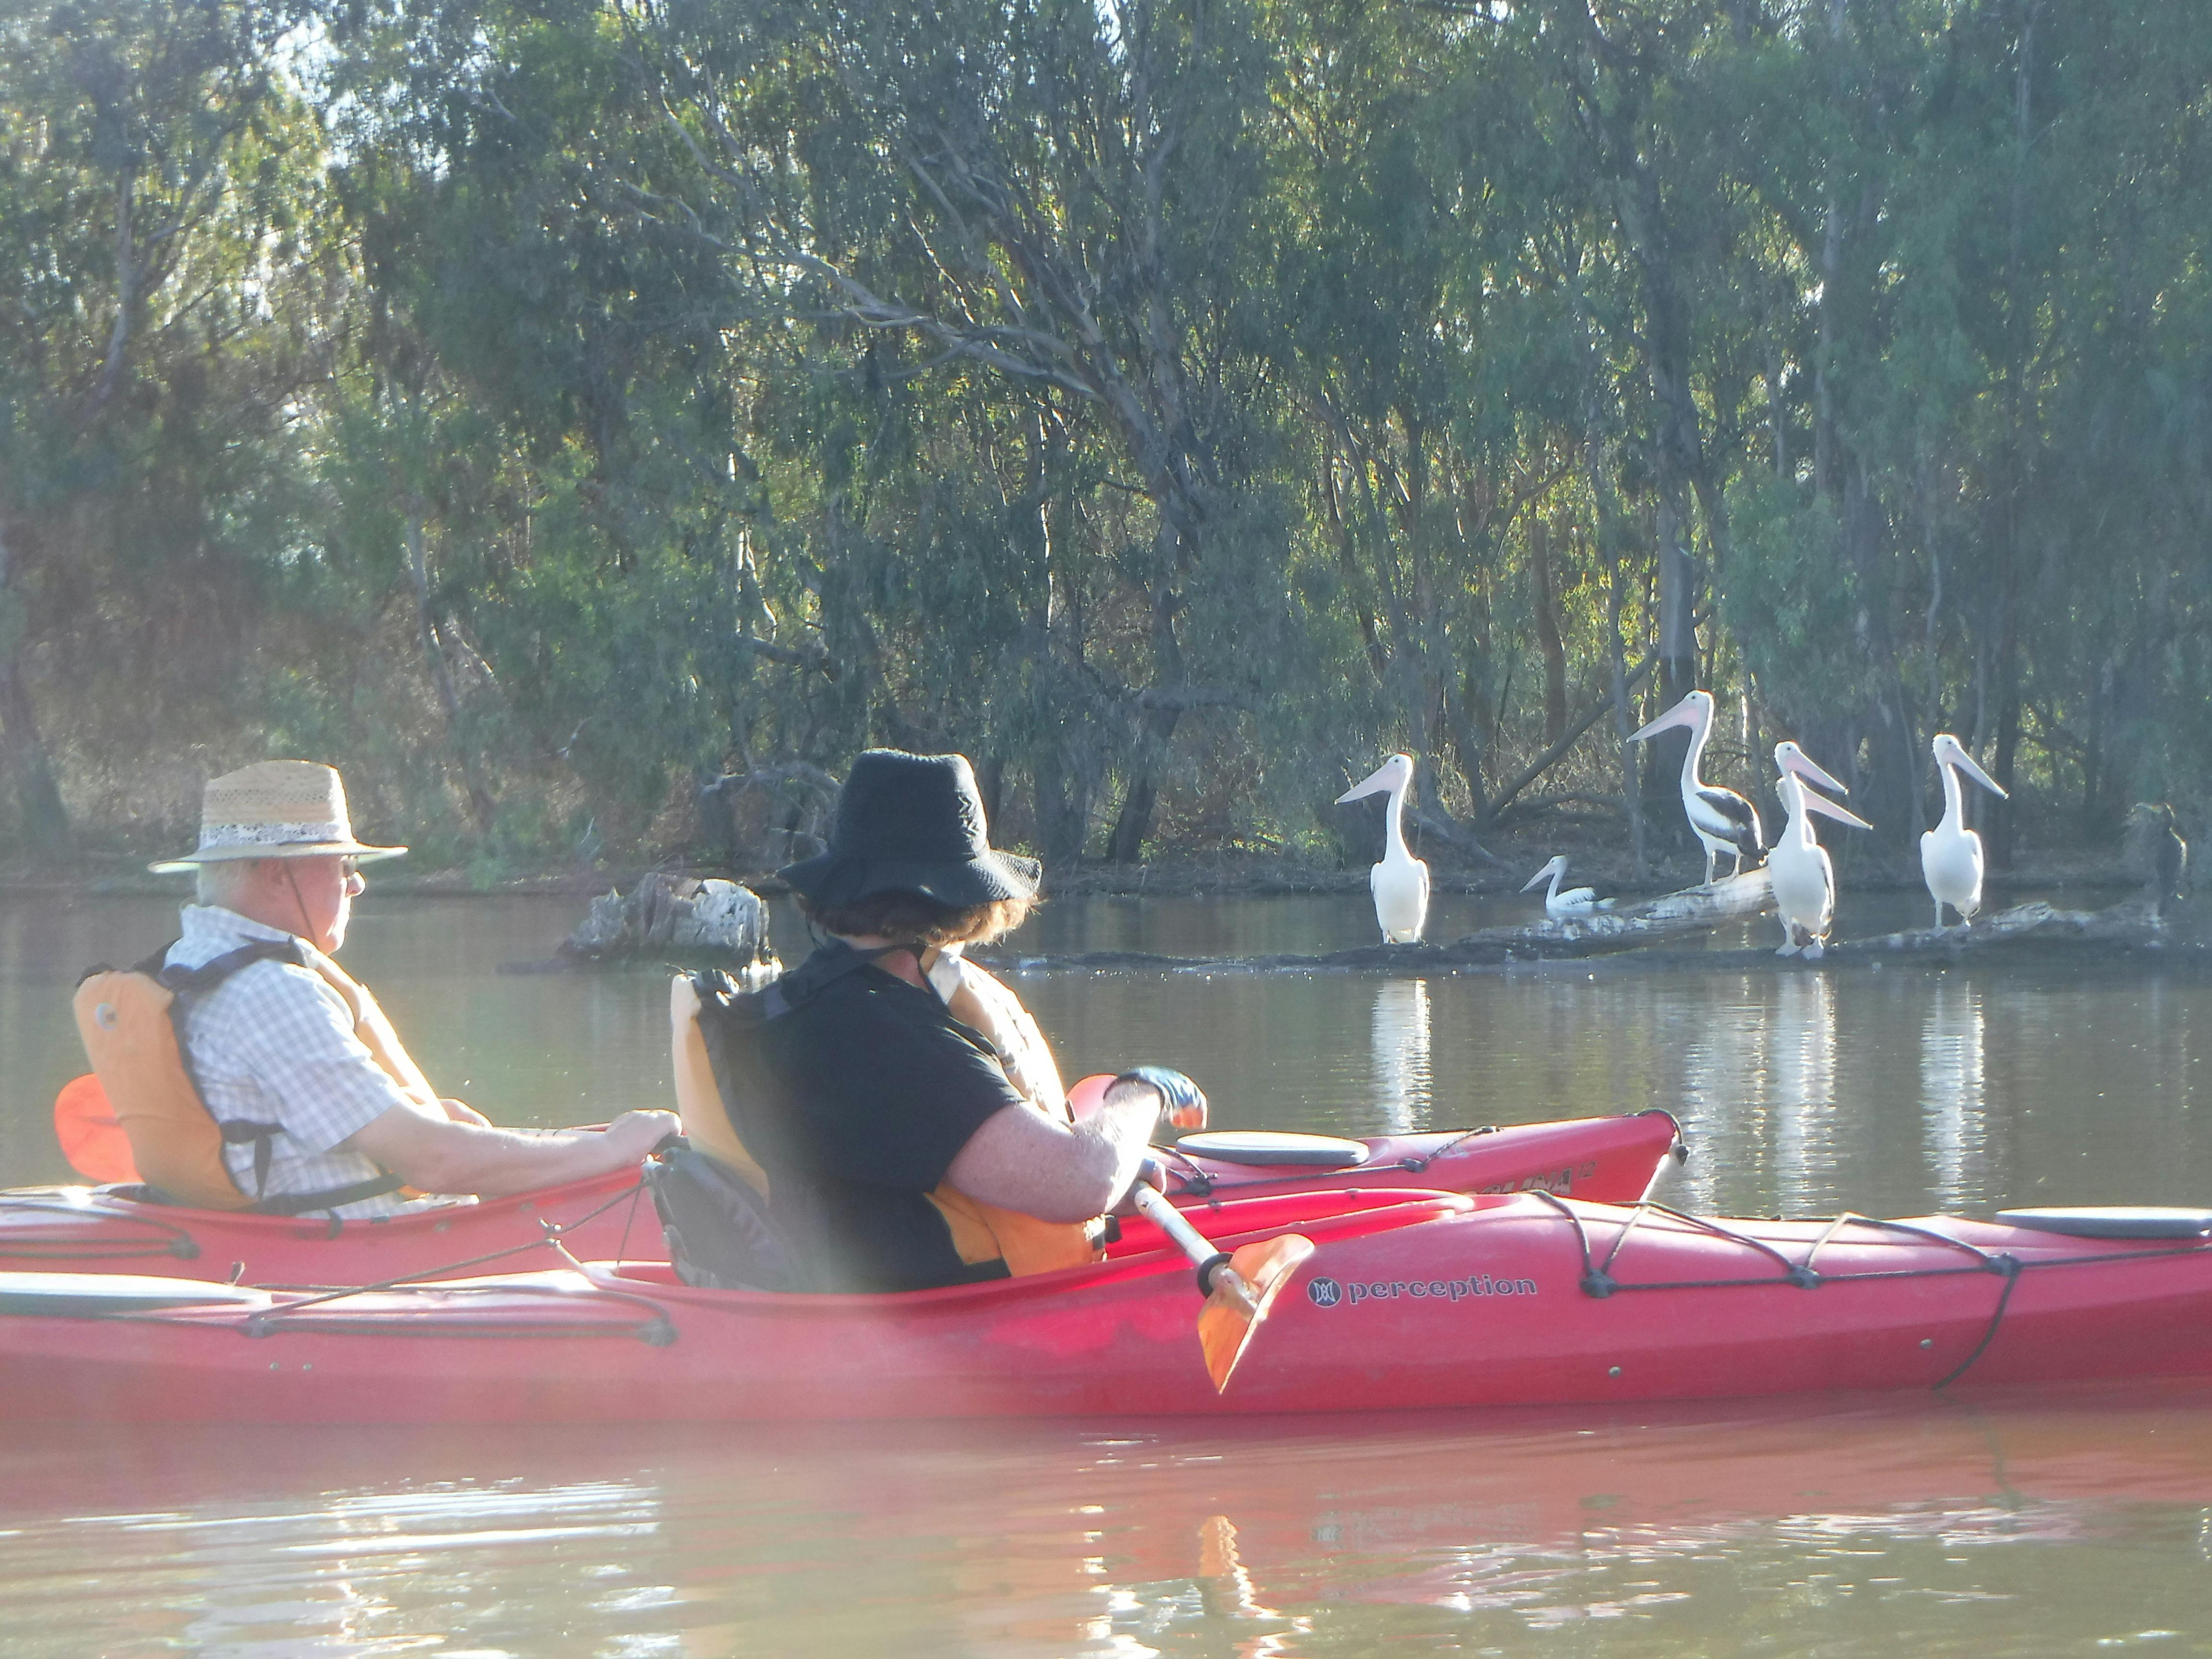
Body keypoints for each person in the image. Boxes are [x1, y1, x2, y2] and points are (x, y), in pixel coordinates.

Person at [719, 748, 1204, 1292]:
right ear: (959, 903)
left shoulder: (813, 1002)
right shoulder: (890, 1037)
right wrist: (1141, 1092)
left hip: (843, 1296)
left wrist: (1113, 1170)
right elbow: (1081, 1180)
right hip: (921, 1336)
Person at [137, 760, 675, 1216]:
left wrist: (421, 1119)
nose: (356, 883)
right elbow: (432, 1161)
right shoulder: (272, 992)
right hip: (352, 1260)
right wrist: (612, 1152)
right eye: (343, 865)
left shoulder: (190, 962)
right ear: (278, 875)